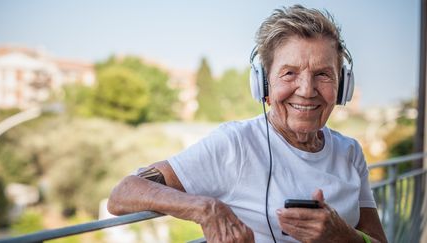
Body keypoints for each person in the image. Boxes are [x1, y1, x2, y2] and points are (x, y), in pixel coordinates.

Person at [108, 5, 387, 243]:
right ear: (263, 83)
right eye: (289, 73)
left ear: (342, 87)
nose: (306, 89)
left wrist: (343, 236)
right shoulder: (236, 144)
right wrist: (204, 207)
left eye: (323, 75)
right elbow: (124, 193)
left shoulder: (350, 152)